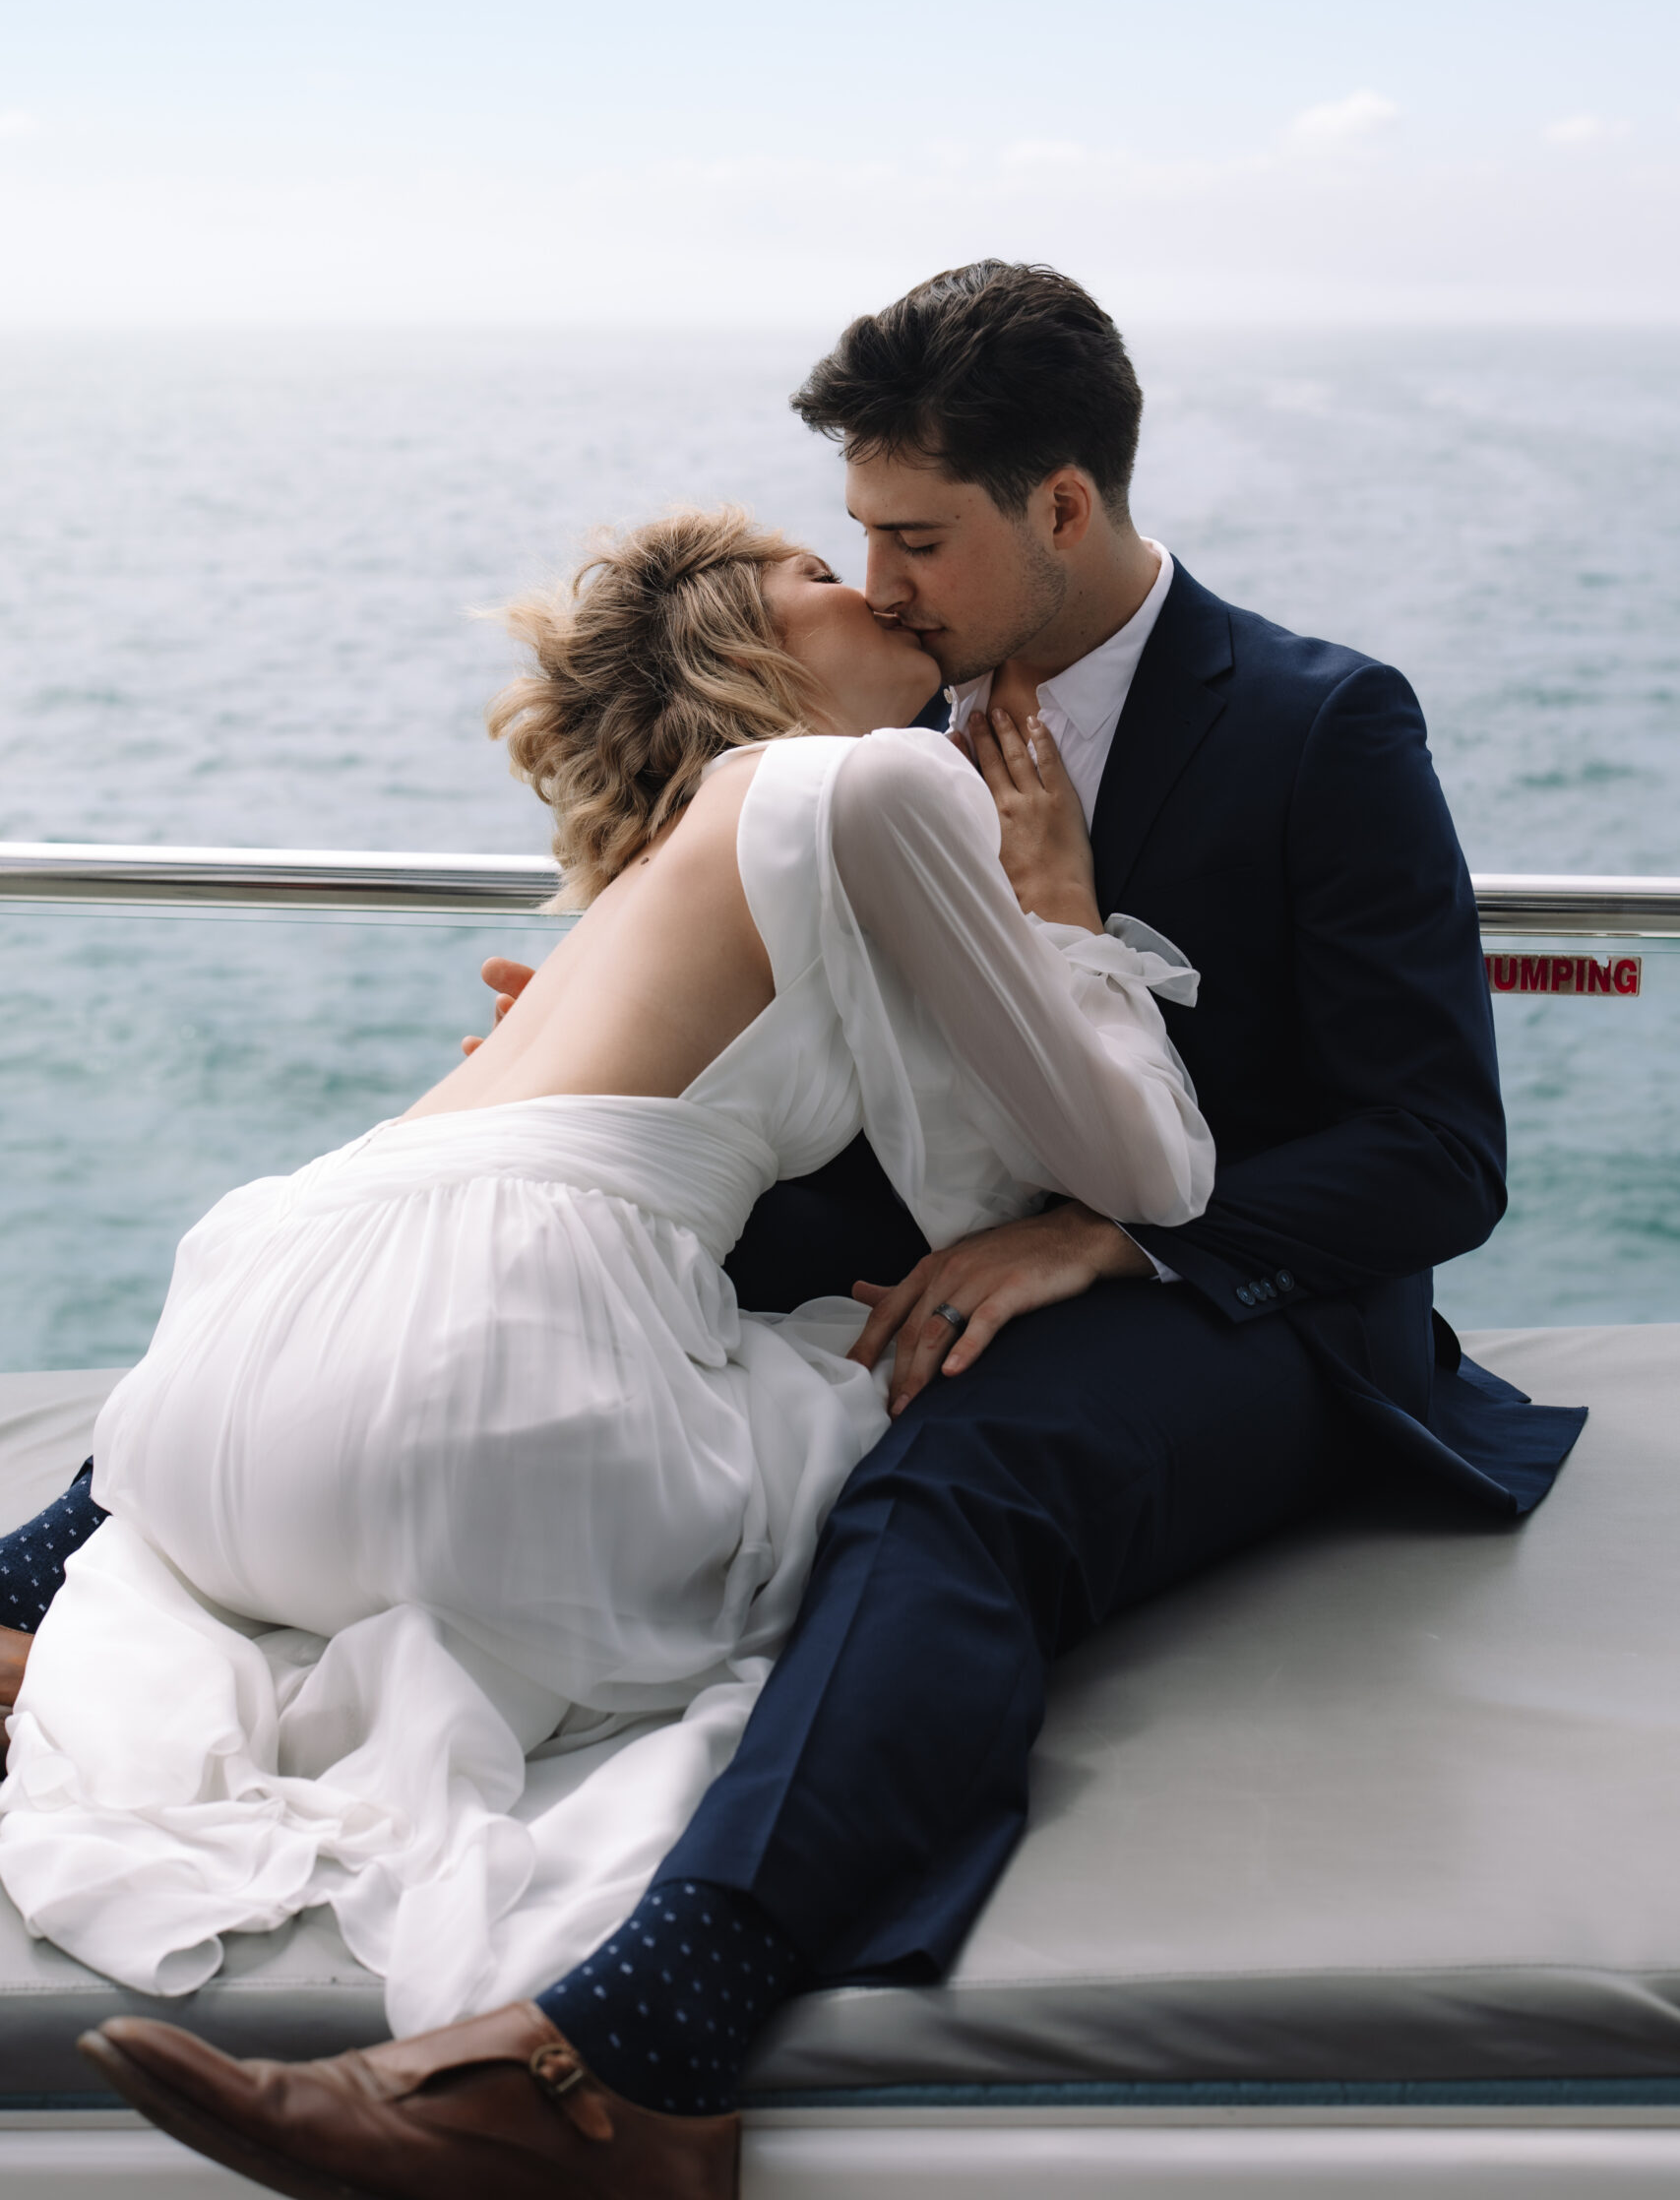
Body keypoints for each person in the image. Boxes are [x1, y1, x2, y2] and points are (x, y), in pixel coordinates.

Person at [27, 263, 1585, 2200]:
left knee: (961, 1460)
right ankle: (48, 1569)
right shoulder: (876, 746)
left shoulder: (1314, 723)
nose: (881, 579)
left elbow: (1432, 1154)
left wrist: (1107, 1240)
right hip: (937, 1243)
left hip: (1252, 1305)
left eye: (915, 537)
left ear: (1063, 509)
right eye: (855, 534)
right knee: (437, 1222)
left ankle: (634, 2055)